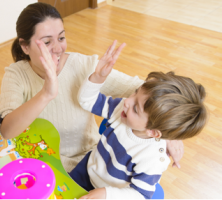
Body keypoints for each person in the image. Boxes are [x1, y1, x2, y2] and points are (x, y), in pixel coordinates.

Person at [0, 2, 183, 172]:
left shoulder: (85, 65)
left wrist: (169, 133)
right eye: (46, 42)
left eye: (61, 38)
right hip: (40, 164)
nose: (58, 48)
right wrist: (46, 93)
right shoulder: (16, 75)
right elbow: (7, 131)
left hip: (90, 164)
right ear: (25, 46)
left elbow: (146, 90)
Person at [69, 43, 207, 200]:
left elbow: (140, 195)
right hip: (86, 172)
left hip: (113, 194)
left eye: (136, 108)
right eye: (135, 93)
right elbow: (87, 101)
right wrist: (98, 77)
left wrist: (107, 194)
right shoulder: (121, 110)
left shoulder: (152, 159)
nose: (127, 101)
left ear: (153, 132)